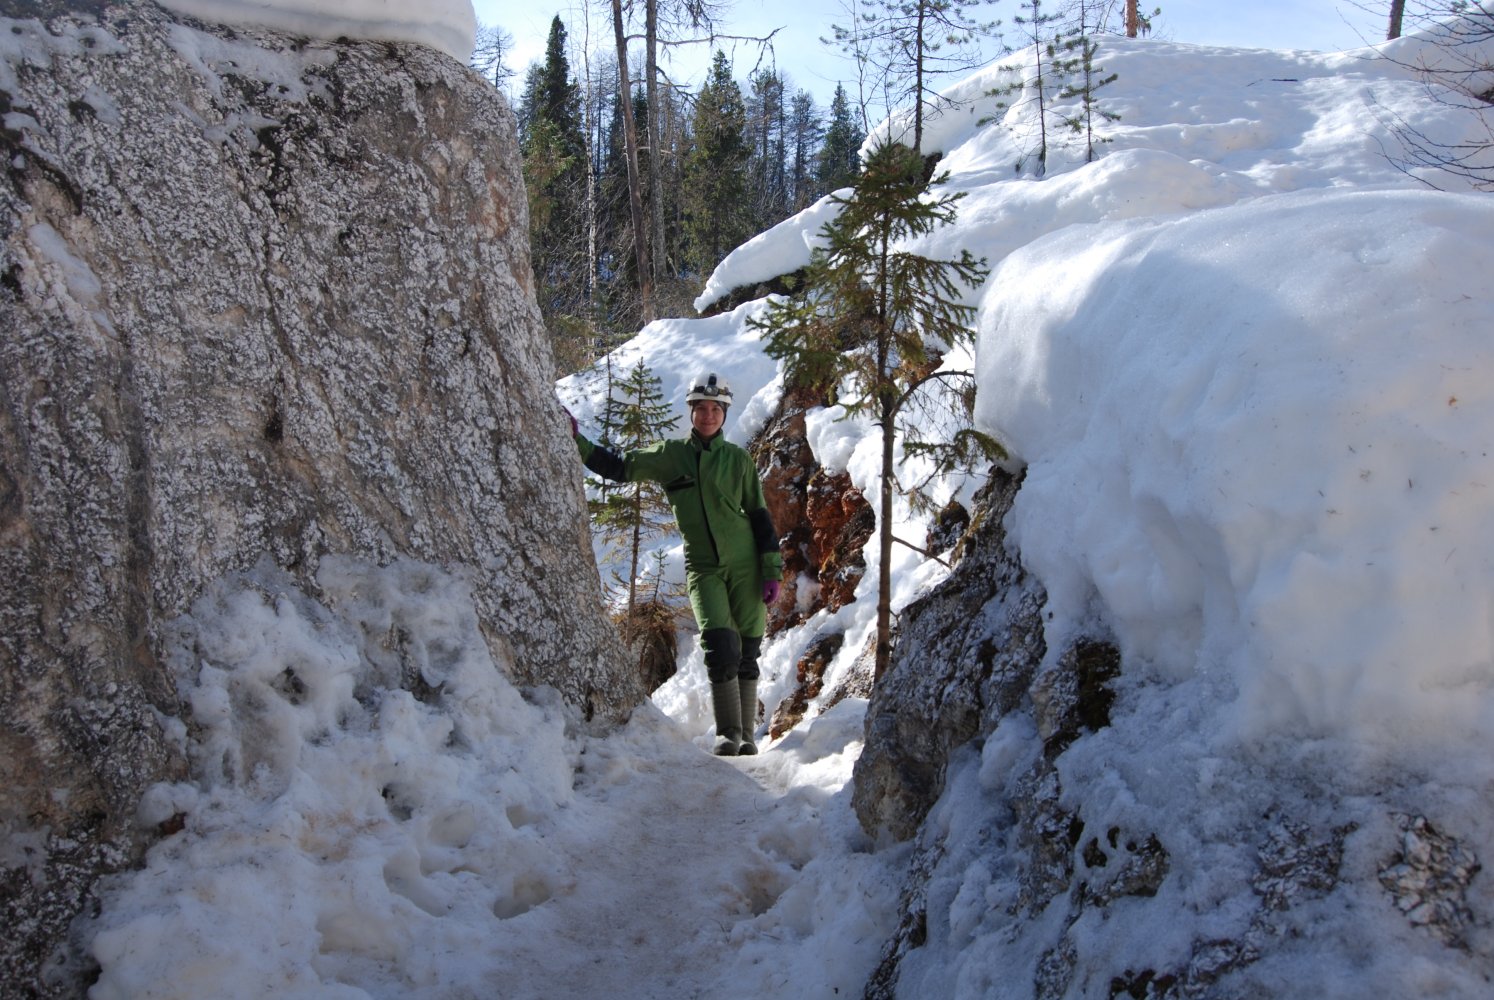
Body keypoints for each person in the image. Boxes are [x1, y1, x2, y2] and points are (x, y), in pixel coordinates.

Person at [566, 373, 782, 756]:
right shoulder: (671, 456)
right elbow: (621, 467)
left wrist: (771, 570)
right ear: (692, 412)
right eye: (701, 408)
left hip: (746, 564)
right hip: (704, 569)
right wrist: (576, 440)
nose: (708, 415)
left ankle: (747, 737)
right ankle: (728, 733)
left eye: (716, 409)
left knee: (748, 652)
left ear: (724, 414)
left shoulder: (738, 460)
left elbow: (760, 517)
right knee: (719, 646)